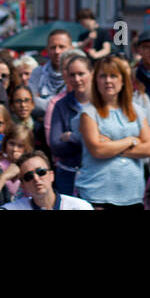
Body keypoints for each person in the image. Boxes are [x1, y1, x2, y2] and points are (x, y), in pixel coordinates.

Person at [74, 55, 150, 209]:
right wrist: (131, 140)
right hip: (98, 194)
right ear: (96, 81)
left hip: (132, 194)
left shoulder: (137, 111)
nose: (108, 81)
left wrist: (111, 147)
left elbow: (149, 149)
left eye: (113, 76)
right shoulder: (89, 113)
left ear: (123, 81)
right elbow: (97, 150)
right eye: (103, 76)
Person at [47, 50, 91, 193]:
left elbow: (105, 142)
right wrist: (88, 141)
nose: (77, 79)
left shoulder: (101, 104)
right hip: (67, 175)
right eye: (72, 75)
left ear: (91, 73)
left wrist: (72, 137)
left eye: (81, 74)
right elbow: (55, 145)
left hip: (95, 174)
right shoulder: (61, 105)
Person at [0, 150, 93, 210]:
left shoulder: (80, 207)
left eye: (41, 172)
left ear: (51, 175)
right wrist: (2, 178)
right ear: (23, 186)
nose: (36, 179)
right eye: (28, 176)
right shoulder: (13, 208)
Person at [28, 29, 73, 117]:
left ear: (71, 49)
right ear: (47, 49)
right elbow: (29, 104)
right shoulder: (38, 72)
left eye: (62, 47)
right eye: (53, 47)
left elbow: (73, 105)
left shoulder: (76, 74)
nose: (57, 51)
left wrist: (40, 101)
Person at [0, 124, 35, 203]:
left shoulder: (29, 167)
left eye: (20, 146)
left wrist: (21, 163)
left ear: (27, 149)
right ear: (5, 143)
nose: (15, 149)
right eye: (11, 144)